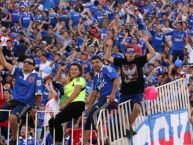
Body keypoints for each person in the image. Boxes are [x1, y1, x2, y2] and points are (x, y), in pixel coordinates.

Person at [104, 34, 156, 138]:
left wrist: (146, 42)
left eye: (133, 52)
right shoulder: (121, 61)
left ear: (135, 53)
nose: (131, 54)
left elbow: (153, 53)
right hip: (125, 92)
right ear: (125, 53)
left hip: (137, 91)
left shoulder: (139, 60)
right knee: (122, 112)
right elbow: (107, 57)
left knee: (136, 108)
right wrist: (109, 46)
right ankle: (128, 129)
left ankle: (128, 127)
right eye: (129, 52)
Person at [0, 43, 43, 145]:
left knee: (13, 118)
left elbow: (39, 94)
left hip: (26, 103)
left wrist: (35, 106)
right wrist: (0, 51)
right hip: (14, 101)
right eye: (25, 62)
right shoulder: (18, 71)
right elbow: (4, 63)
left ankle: (14, 139)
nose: (26, 63)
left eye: (29, 62)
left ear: (33, 67)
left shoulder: (36, 76)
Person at [84, 55, 120, 144]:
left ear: (101, 62)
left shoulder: (107, 69)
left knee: (94, 113)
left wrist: (112, 94)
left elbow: (116, 80)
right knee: (88, 119)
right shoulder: (96, 77)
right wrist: (88, 107)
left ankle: (103, 138)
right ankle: (84, 142)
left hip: (110, 98)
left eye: (97, 62)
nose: (95, 64)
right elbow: (94, 93)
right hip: (102, 99)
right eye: (93, 63)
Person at [49, 63, 86, 143]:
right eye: (71, 69)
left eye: (75, 69)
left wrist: (65, 104)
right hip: (71, 105)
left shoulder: (79, 79)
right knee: (51, 121)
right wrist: (60, 70)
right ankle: (57, 141)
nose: (73, 71)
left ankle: (59, 142)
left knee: (56, 120)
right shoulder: (69, 81)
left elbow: (76, 92)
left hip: (77, 104)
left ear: (79, 72)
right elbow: (57, 79)